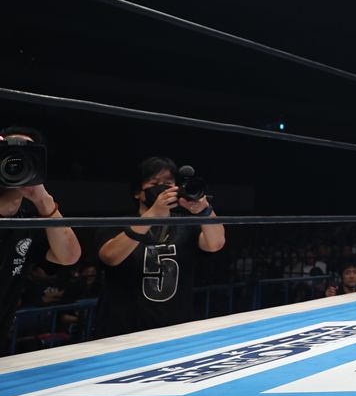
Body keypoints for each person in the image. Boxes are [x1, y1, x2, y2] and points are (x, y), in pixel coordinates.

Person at [95, 157, 226, 337]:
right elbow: (110, 256)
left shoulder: (186, 225)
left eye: (168, 183)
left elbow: (215, 244)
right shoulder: (118, 224)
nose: (162, 188)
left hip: (174, 330)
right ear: (138, 192)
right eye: (155, 183)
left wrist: (204, 210)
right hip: (122, 332)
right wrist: (153, 214)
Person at [0, 127, 81, 354]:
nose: (15, 162)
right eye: (7, 153)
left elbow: (68, 256)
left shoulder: (29, 221)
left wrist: (43, 200)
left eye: (25, 156)